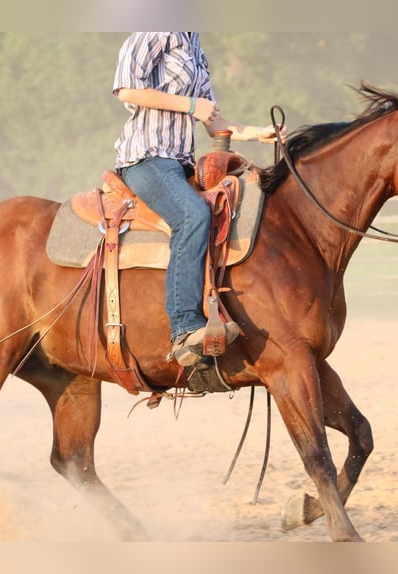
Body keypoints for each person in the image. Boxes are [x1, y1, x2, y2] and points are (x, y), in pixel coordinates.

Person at [112, 32, 283, 367]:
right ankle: (185, 326)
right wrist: (190, 105)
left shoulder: (193, 43)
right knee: (192, 216)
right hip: (147, 159)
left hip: (179, 164)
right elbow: (127, 89)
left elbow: (213, 119)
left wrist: (255, 132)